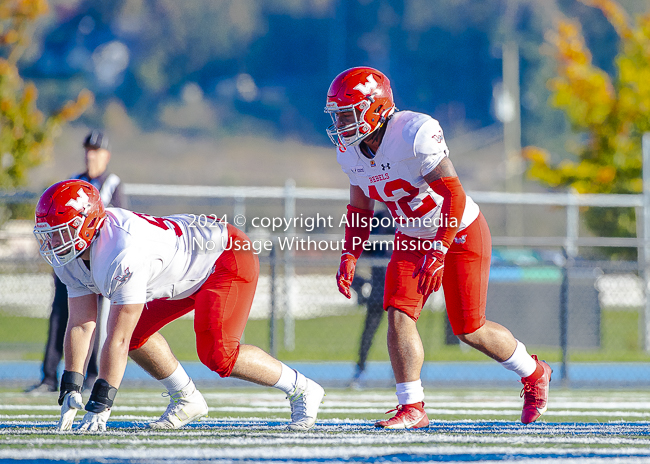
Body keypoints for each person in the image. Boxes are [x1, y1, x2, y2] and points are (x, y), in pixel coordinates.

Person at [326, 67, 551, 429]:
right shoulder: (351, 153)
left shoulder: (413, 133)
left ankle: (534, 372)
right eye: (337, 114)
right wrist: (349, 254)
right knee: (398, 312)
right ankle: (412, 407)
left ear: (374, 108)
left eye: (347, 113)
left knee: (469, 329)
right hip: (413, 236)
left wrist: (441, 248)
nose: (341, 122)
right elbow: (360, 207)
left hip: (459, 231)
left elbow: (453, 194)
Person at [33, 179, 325, 432]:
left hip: (224, 256)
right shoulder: (72, 258)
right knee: (137, 337)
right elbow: (82, 324)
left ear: (89, 224)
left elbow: (116, 338)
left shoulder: (121, 252)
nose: (52, 241)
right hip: (183, 269)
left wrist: (101, 403)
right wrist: (71, 385)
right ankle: (186, 398)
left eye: (61, 230)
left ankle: (302, 388)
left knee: (218, 355)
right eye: (49, 232)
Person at [26, 130, 128, 394]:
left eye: (95, 151)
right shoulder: (73, 182)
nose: (90, 156)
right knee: (61, 317)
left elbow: (117, 222)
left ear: (106, 156)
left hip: (100, 267)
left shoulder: (113, 184)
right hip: (70, 264)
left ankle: (92, 375)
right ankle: (49, 377)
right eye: (87, 150)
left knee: (97, 321)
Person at [349, 208, 393, 389]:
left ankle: (404, 376)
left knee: (403, 331)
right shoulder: (379, 219)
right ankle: (360, 372)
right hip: (379, 286)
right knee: (369, 331)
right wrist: (360, 283)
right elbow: (363, 249)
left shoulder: (409, 215)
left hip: (401, 287)